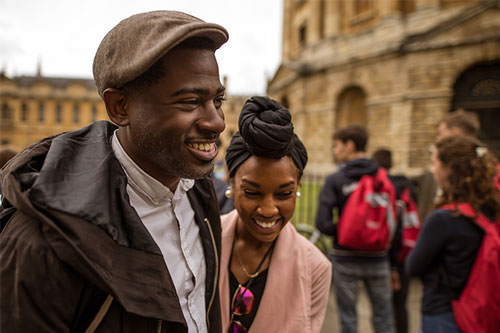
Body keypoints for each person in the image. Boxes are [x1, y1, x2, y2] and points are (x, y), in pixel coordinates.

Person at [0, 11, 229, 332]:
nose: (216, 122)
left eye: (217, 100)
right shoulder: (41, 242)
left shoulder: (198, 191)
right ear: (120, 107)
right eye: (190, 101)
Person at [219, 96, 332, 332]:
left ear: (298, 188)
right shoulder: (199, 243)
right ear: (231, 184)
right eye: (251, 192)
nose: (268, 209)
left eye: (283, 194)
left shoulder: (316, 269)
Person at [406, 135, 500, 332]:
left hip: (444, 313)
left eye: (435, 163)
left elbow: (413, 266)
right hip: (480, 310)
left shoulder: (443, 218)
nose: (433, 170)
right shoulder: (491, 211)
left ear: (449, 169)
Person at [316, 125, 396, 333]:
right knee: (384, 316)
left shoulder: (336, 179)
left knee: (348, 318)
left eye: (336, 146)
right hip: (379, 257)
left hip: (345, 257)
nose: (334, 151)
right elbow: (395, 220)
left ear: (349, 145)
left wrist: (344, 232)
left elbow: (322, 223)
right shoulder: (382, 177)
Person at [372, 148, 419, 333]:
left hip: (388, 254)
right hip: (407, 252)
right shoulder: (407, 187)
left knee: (382, 308)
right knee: (401, 305)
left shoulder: (383, 186)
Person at [412, 109, 480, 221]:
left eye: (440, 133)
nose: (437, 138)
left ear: (455, 131)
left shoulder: (476, 170)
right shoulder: (485, 165)